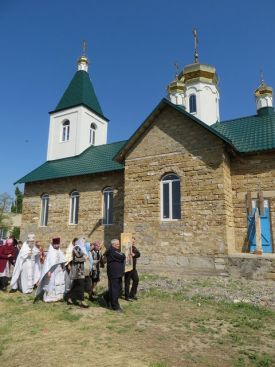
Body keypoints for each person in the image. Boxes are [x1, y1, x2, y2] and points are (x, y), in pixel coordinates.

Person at [36, 237, 66, 302]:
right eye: (56, 244)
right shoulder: (51, 252)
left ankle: (59, 296)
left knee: (59, 282)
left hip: (59, 270)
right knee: (51, 283)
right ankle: (49, 297)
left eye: (58, 244)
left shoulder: (59, 251)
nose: (57, 245)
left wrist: (63, 267)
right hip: (52, 271)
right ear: (53, 244)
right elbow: (48, 263)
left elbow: (62, 260)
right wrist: (49, 271)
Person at [104, 239, 125, 312]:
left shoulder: (116, 251)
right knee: (114, 290)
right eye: (117, 244)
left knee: (118, 289)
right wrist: (122, 255)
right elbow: (122, 257)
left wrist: (122, 255)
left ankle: (107, 297)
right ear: (113, 244)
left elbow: (122, 256)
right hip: (114, 273)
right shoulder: (111, 251)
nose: (119, 245)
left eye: (118, 244)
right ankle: (115, 307)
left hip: (118, 273)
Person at [67, 238, 89, 308]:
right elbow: (77, 258)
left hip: (80, 269)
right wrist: (85, 258)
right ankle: (81, 301)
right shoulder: (76, 248)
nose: (84, 243)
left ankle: (69, 297)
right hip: (77, 270)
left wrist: (85, 257)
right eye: (83, 242)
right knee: (81, 285)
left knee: (76, 285)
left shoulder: (81, 248)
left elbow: (84, 256)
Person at [124, 237, 140, 301]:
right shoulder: (126, 248)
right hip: (128, 267)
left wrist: (134, 254)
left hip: (133, 268)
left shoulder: (134, 248)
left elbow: (138, 254)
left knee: (136, 280)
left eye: (134, 242)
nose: (133, 243)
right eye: (132, 242)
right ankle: (127, 296)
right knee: (127, 282)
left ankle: (132, 294)